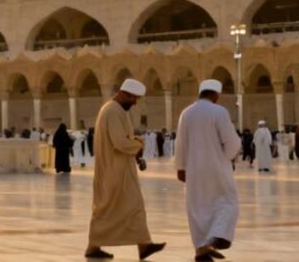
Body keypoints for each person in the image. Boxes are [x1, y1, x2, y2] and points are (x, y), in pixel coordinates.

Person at [85, 79, 165, 260]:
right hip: (115, 171)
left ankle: (97, 247)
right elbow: (119, 142)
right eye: (134, 99)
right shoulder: (113, 111)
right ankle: (142, 246)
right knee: (125, 206)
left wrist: (134, 143)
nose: (135, 103)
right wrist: (137, 144)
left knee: (109, 208)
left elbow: (121, 138)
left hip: (117, 169)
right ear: (124, 94)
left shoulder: (115, 110)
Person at [175, 79, 241, 261]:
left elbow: (180, 143)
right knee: (228, 202)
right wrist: (226, 157)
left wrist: (180, 167)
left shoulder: (186, 113)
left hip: (193, 169)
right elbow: (232, 143)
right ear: (215, 94)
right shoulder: (219, 112)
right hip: (217, 168)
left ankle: (201, 250)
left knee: (197, 207)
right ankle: (218, 235)